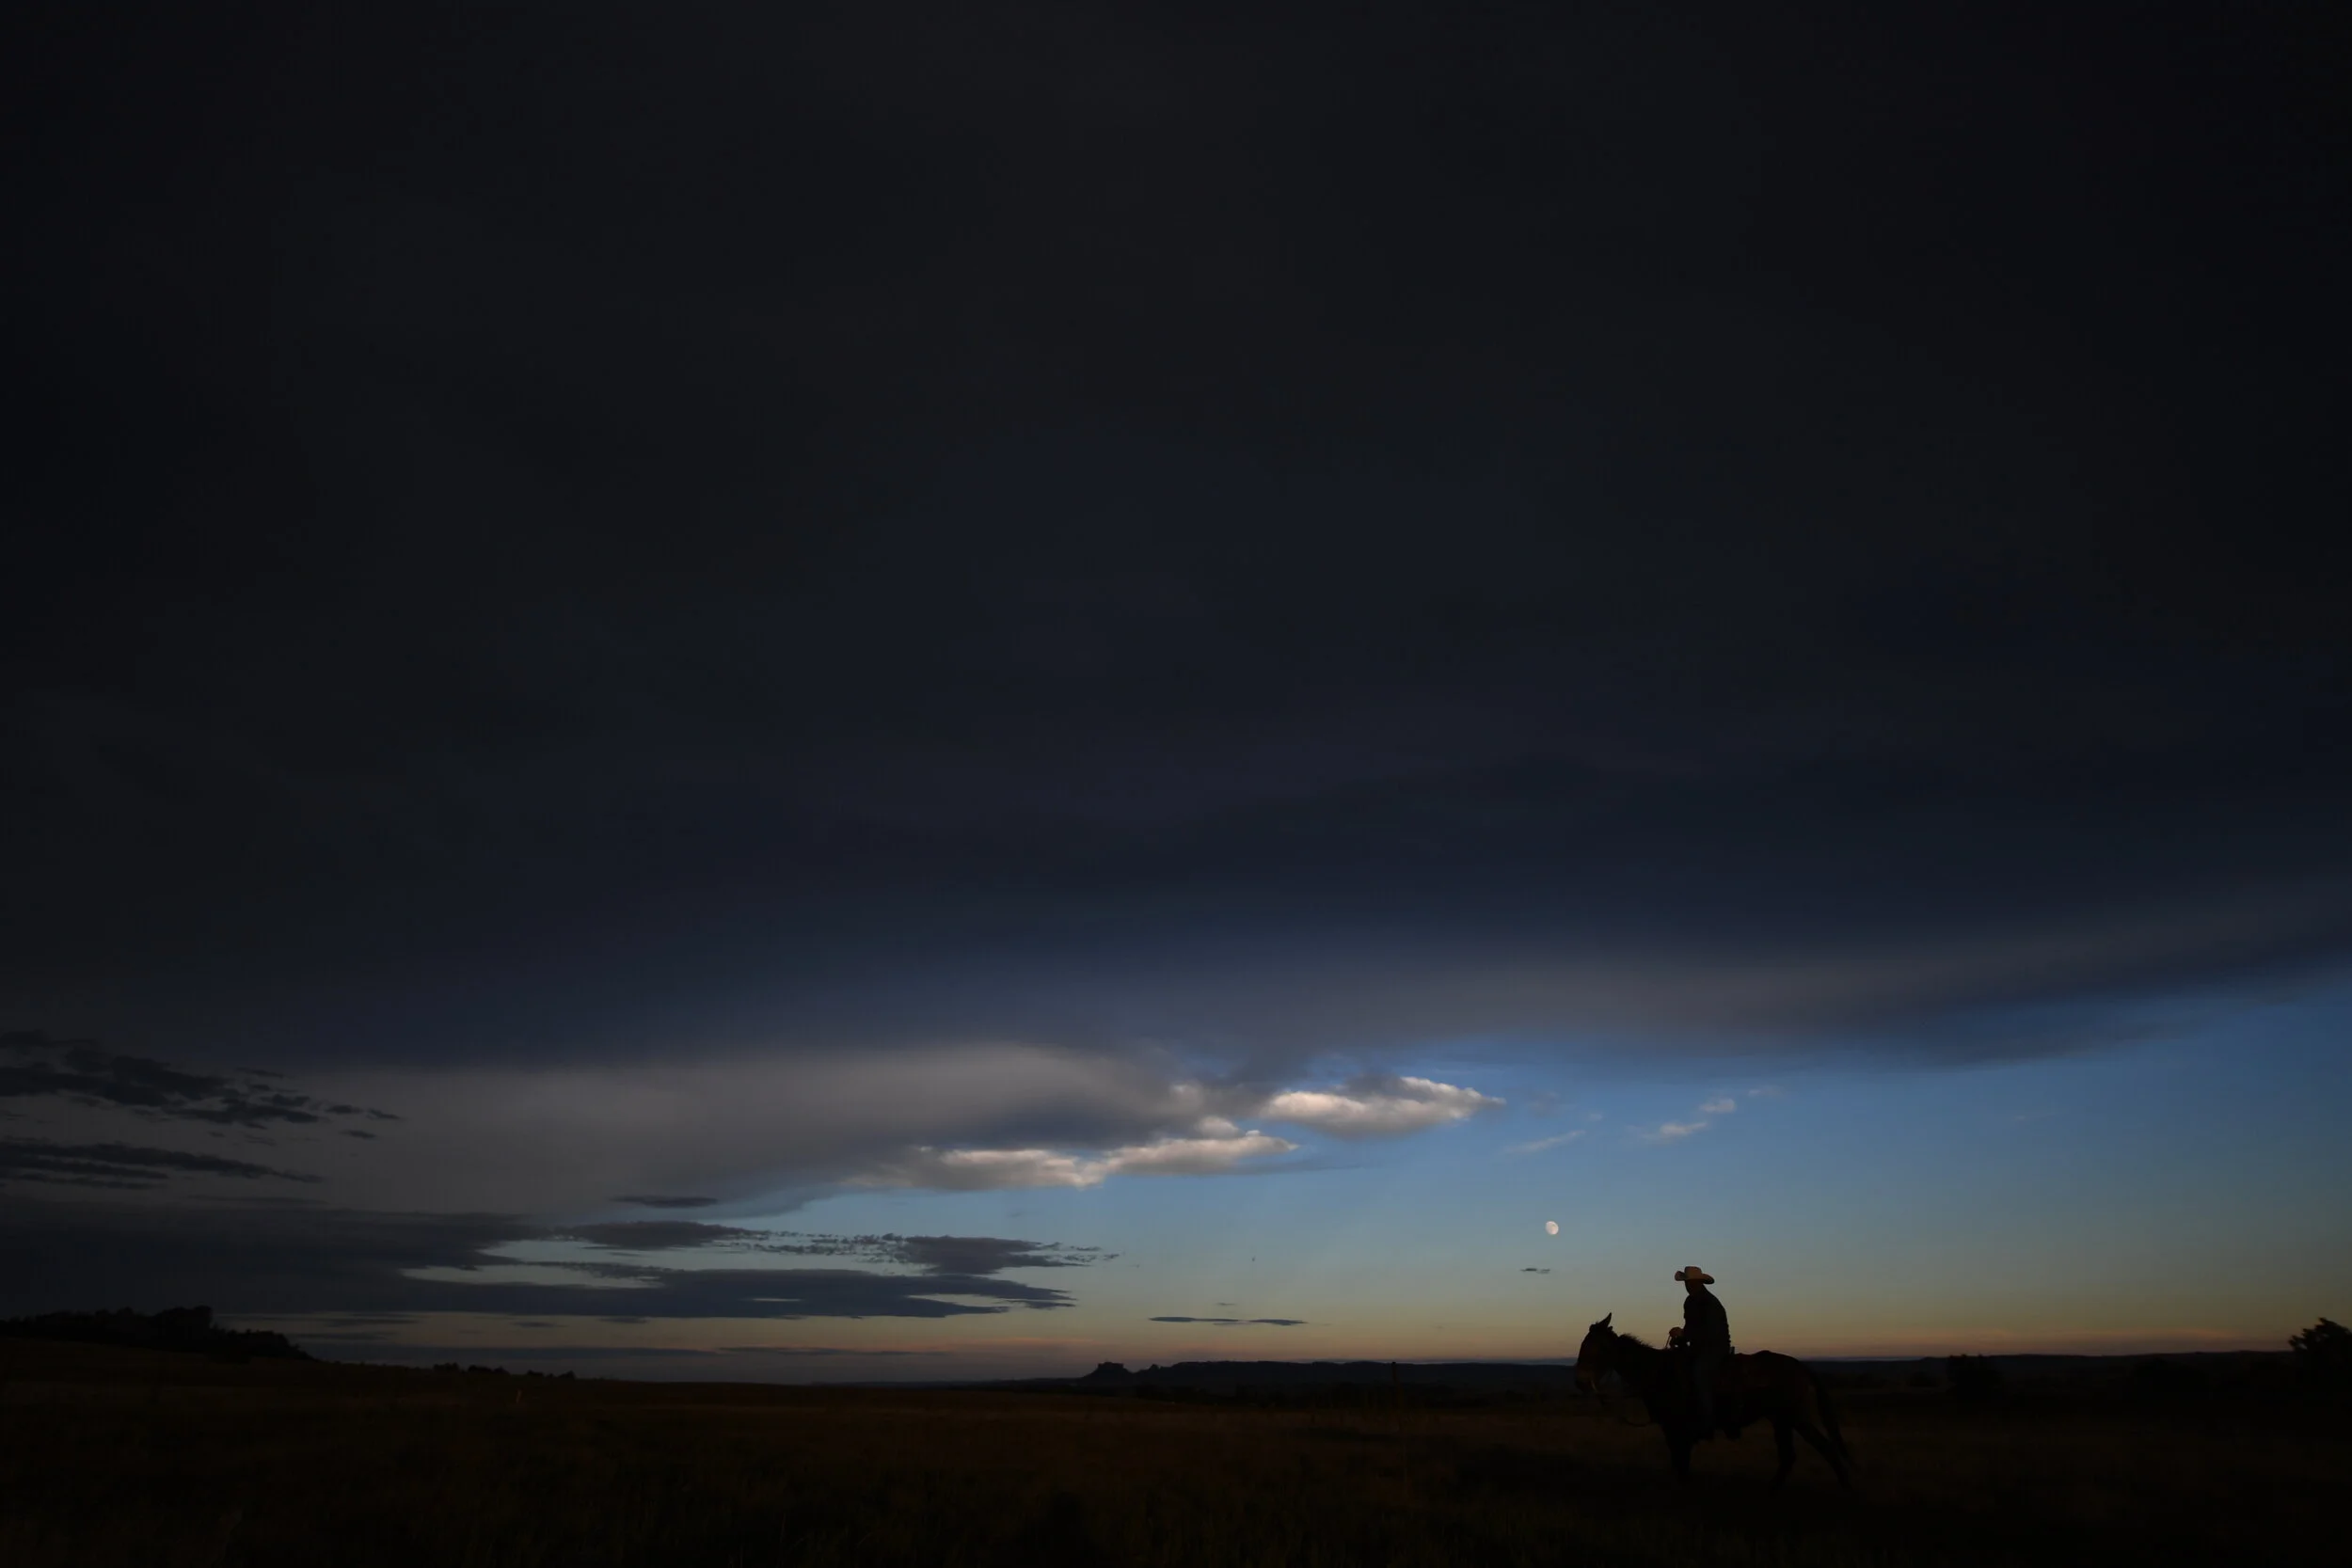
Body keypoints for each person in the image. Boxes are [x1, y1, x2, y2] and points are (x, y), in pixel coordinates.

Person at [1676, 1264, 1732, 1434]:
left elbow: (1711, 1331)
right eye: (1687, 1283)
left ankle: (1708, 1419)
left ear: (1699, 1283)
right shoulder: (1690, 1301)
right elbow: (1691, 1328)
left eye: (1690, 1283)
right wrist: (1681, 1337)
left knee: (1700, 1373)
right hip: (1699, 1347)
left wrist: (1683, 1334)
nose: (1688, 1286)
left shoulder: (1709, 1302)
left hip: (1715, 1347)